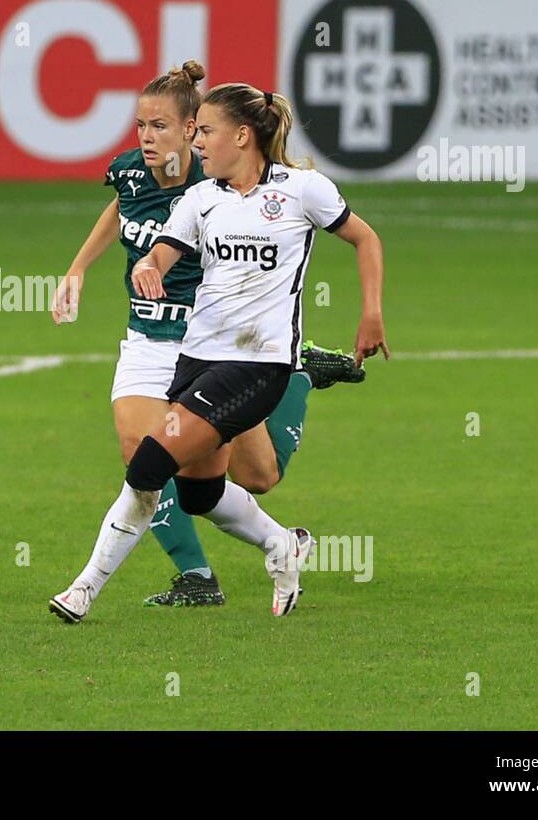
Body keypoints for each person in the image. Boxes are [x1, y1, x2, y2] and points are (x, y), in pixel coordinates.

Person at [50, 83, 389, 621]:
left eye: (205, 132)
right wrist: (147, 268)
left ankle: (83, 590)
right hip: (197, 359)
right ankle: (283, 545)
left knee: (149, 462)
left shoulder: (302, 190)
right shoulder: (201, 198)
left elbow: (365, 239)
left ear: (242, 135)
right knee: (199, 495)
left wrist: (370, 313)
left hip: (258, 365)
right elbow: (163, 250)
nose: (197, 142)